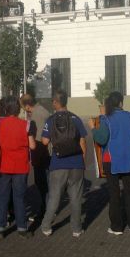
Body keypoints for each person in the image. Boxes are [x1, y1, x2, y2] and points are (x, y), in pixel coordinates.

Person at [90, 91, 130, 235]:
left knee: (114, 194)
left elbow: (101, 139)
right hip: (129, 158)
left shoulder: (106, 119)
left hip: (111, 160)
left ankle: (117, 226)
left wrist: (93, 129)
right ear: (121, 103)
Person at [40, 90, 87, 238]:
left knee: (54, 197)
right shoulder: (75, 118)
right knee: (76, 198)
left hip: (58, 163)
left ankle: (46, 226)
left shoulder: (51, 119)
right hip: (76, 163)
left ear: (55, 102)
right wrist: (82, 159)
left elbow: (45, 141)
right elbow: (83, 141)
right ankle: (76, 229)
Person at [0, 96, 36, 239]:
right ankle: (22, 228)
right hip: (20, 166)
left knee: (3, 197)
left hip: (3, 165)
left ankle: (0, 227)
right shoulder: (26, 125)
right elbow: (32, 146)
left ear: (5, 109)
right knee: (19, 197)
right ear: (18, 110)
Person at [21, 93, 51, 222]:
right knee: (44, 181)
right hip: (45, 151)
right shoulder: (42, 110)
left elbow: (38, 138)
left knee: (41, 182)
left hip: (40, 152)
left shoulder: (36, 115)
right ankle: (47, 208)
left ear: (28, 106)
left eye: (23, 107)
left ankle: (45, 210)